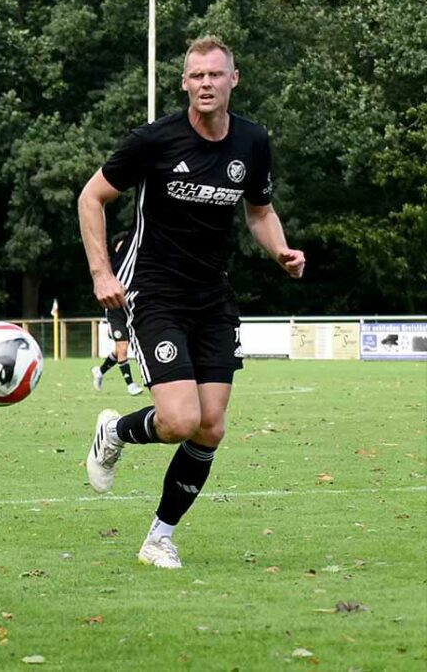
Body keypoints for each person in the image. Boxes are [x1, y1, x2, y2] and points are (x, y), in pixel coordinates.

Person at [77, 36, 305, 569]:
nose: (205, 83)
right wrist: (100, 272)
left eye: (215, 75)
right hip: (154, 290)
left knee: (211, 427)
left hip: (214, 295)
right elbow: (92, 196)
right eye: (196, 75)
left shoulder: (252, 140)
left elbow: (259, 210)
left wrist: (280, 250)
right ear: (183, 83)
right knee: (179, 420)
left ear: (233, 79)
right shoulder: (155, 140)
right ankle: (114, 431)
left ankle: (159, 537)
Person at [91, 231, 144, 397]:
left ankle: (100, 371)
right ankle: (131, 385)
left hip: (131, 309)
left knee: (119, 350)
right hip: (115, 310)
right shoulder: (111, 266)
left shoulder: (137, 265)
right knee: (122, 348)